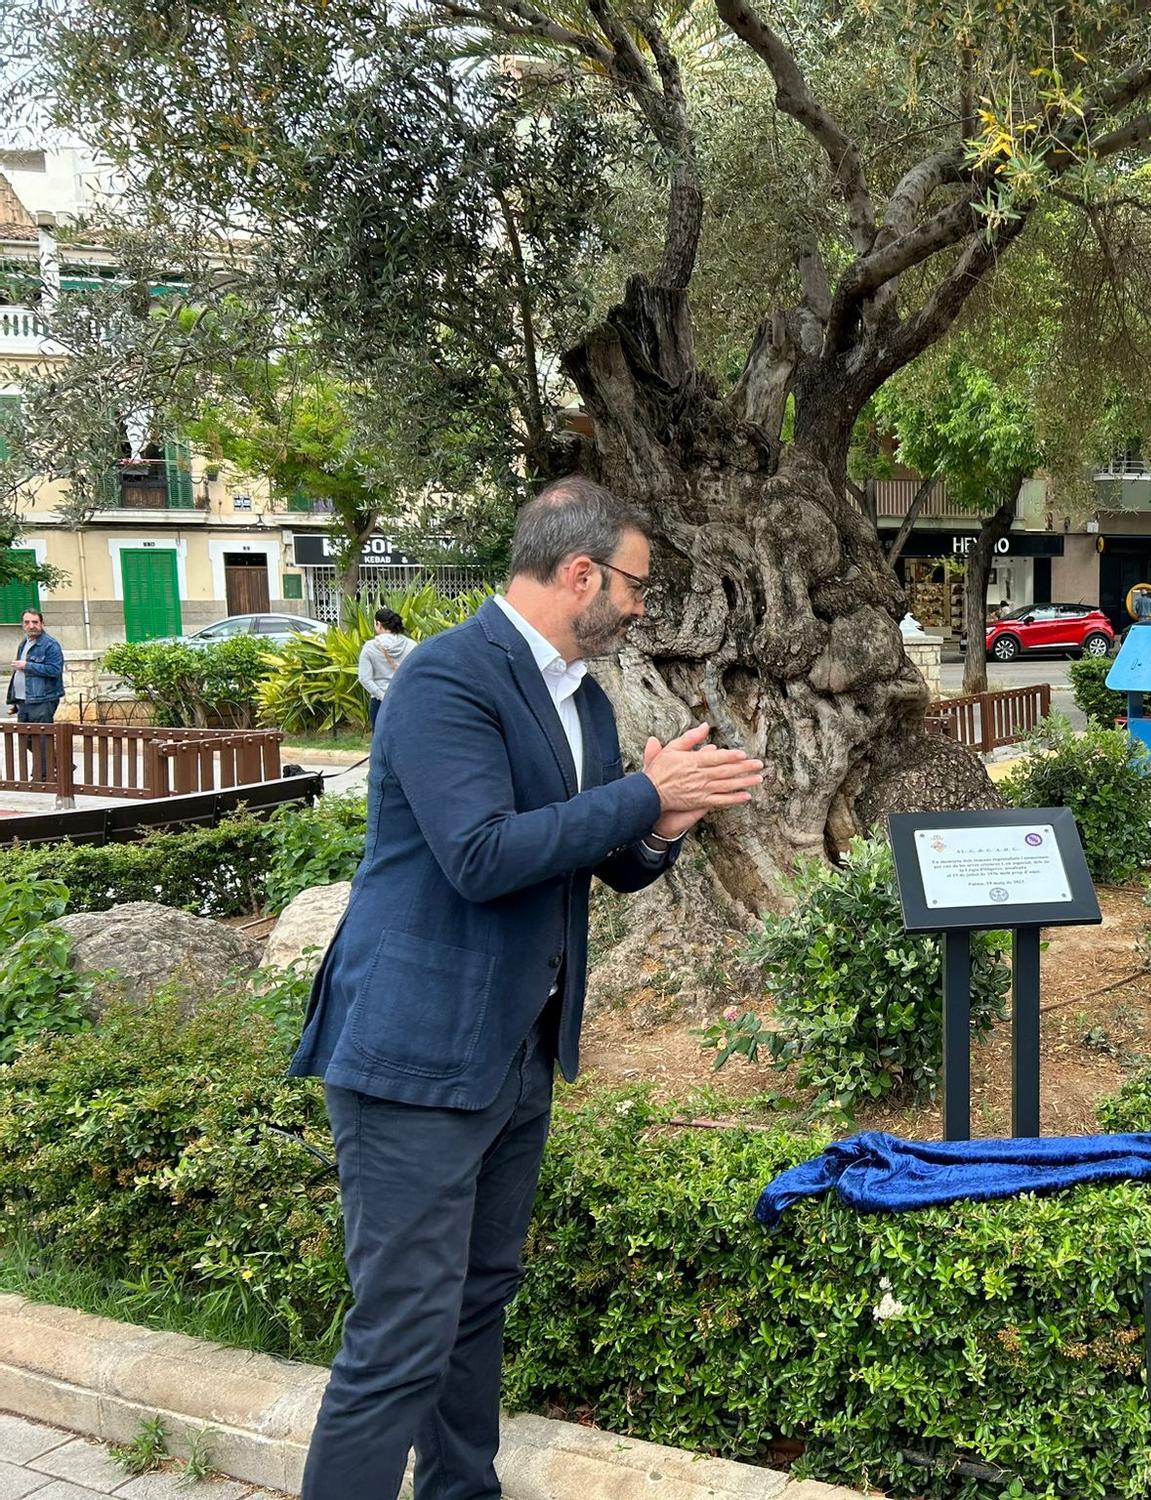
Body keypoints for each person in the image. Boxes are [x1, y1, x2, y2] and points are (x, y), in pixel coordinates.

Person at [289, 477, 764, 1500]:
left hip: (515, 1049)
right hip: (413, 1053)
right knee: (401, 1334)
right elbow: (478, 855)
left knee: (476, 1304)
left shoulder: (581, 698)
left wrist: (661, 825)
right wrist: (644, 791)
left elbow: (603, 859)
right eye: (635, 585)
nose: (640, 607)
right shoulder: (446, 679)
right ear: (580, 571)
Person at [7, 610, 64, 783]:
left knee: (41, 739)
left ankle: (43, 777)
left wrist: (28, 665)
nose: (31, 626)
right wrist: (14, 701)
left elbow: (55, 670)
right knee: (26, 738)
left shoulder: (50, 644)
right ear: (23, 624)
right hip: (25, 700)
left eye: (34, 622)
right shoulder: (24, 643)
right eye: (27, 622)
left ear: (42, 623)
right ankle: (60, 764)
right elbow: (18, 675)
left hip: (43, 699)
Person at [355, 607, 415, 731]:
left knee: (380, 743)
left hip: (380, 702)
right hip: (405, 698)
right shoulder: (411, 645)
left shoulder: (370, 647)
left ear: (379, 624)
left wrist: (381, 695)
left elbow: (364, 678)